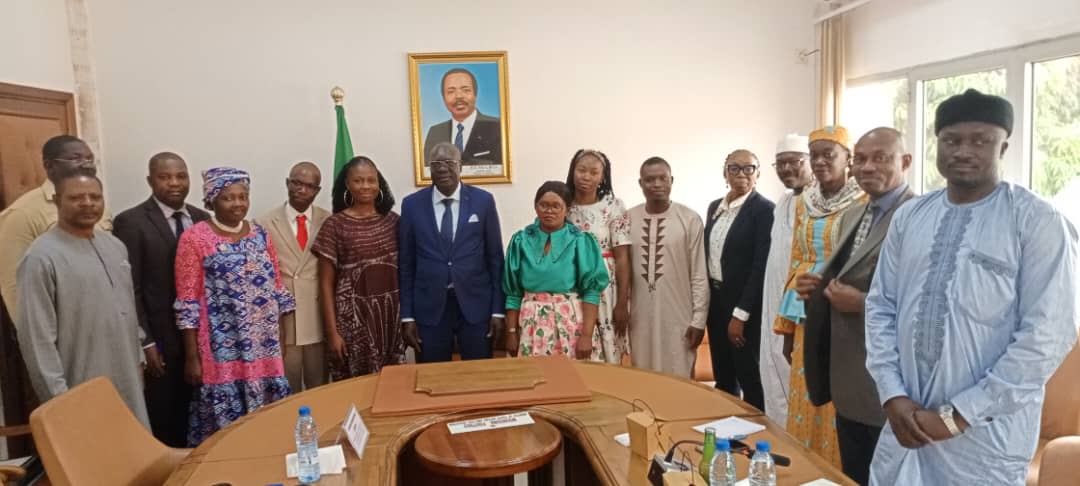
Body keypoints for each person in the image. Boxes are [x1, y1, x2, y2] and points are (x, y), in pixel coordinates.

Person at [866, 90, 1078, 485]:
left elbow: (1047, 335)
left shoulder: (1037, 221)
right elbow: (881, 307)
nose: (963, 151)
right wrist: (892, 394)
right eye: (951, 140)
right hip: (906, 421)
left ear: (1003, 147)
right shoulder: (910, 217)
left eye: (980, 140)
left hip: (986, 436)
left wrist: (959, 414)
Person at [795, 128, 914, 485]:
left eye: (881, 158)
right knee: (854, 474)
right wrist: (818, 286)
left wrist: (861, 303)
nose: (867, 167)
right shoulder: (854, 214)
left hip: (889, 383)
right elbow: (850, 273)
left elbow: (926, 304)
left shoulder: (919, 217)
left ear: (906, 162)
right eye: (860, 159)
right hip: (849, 378)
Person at [15, 170, 149, 428]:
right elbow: (37, 339)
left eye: (95, 197)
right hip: (77, 384)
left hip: (127, 377)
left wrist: (138, 359)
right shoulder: (40, 258)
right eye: (76, 197)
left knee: (132, 443)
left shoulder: (115, 247)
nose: (88, 203)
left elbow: (127, 311)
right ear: (57, 201)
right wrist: (59, 400)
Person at [174, 167, 294, 446]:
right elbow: (187, 302)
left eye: (243, 197)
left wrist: (281, 336)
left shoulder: (261, 235)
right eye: (228, 198)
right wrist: (192, 357)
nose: (237, 204)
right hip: (221, 348)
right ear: (211, 200)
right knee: (227, 434)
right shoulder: (194, 238)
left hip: (264, 346)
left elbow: (277, 289)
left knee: (269, 427)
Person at [773, 126, 864, 467]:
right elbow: (797, 260)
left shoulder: (863, 202)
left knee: (835, 392)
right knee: (804, 391)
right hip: (803, 311)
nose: (821, 161)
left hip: (841, 311)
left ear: (848, 158)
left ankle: (836, 470)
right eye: (815, 155)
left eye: (830, 154)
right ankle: (806, 468)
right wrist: (785, 325)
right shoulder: (805, 202)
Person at [112, 152, 210, 447]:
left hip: (203, 339)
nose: (174, 183)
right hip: (162, 341)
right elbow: (130, 288)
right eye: (165, 177)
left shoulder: (203, 219)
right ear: (150, 180)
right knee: (167, 418)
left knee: (203, 417)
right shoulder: (131, 222)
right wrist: (146, 342)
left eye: (181, 176)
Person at [399, 142, 506, 362]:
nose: (442, 168)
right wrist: (407, 316)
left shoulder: (483, 201)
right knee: (432, 375)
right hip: (430, 308)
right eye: (436, 163)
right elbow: (406, 264)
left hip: (476, 306)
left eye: (449, 162)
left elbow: (495, 259)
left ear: (461, 166)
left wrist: (497, 311)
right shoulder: (411, 205)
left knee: (479, 373)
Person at [0, 135, 113, 319]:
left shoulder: (97, 205)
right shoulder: (21, 213)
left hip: (103, 315)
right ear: (49, 166)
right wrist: (37, 333)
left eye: (89, 159)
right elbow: (14, 287)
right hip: (62, 322)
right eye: (76, 159)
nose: (86, 165)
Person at [312, 157, 404, 379]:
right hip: (352, 326)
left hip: (391, 323)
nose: (365, 186)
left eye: (371, 180)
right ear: (347, 184)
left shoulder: (395, 222)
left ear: (379, 183)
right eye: (358, 180)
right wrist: (332, 333)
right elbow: (325, 284)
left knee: (393, 386)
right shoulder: (334, 226)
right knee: (355, 389)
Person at [503, 181, 610, 358]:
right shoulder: (520, 241)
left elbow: (591, 292)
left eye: (556, 206)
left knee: (572, 374)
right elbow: (513, 293)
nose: (549, 211)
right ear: (535, 207)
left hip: (571, 325)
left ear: (567, 209)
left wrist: (586, 335)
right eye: (543, 205)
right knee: (534, 373)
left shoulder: (581, 241)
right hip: (530, 325)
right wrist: (511, 332)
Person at [703, 150, 774, 410]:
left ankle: (758, 429)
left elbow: (760, 267)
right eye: (734, 168)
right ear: (725, 173)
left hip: (745, 307)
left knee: (749, 376)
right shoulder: (715, 207)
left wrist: (740, 315)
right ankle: (726, 424)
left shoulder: (765, 210)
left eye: (748, 168)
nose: (741, 174)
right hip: (716, 301)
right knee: (723, 375)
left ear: (758, 173)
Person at [628, 157, 709, 377]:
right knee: (642, 377)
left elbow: (699, 274)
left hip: (679, 317)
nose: (656, 184)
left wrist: (699, 320)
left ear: (671, 180)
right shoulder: (627, 219)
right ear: (640, 183)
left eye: (662, 178)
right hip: (639, 318)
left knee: (679, 378)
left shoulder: (689, 219)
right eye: (649, 179)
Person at [255, 162, 330, 391]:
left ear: (317, 190)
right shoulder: (263, 223)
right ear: (287, 183)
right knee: (288, 389)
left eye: (309, 186)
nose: (302, 190)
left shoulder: (329, 220)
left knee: (319, 388)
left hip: (317, 316)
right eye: (297, 183)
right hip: (284, 320)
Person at [760, 134, 814, 428]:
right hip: (772, 300)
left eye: (795, 161)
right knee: (770, 369)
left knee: (793, 372)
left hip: (796, 305)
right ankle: (777, 434)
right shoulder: (781, 202)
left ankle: (795, 438)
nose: (786, 168)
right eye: (780, 163)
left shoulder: (818, 202)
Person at [565, 149, 631, 363]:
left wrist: (622, 302)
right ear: (573, 171)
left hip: (605, 285)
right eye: (581, 170)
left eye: (594, 172)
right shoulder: (564, 205)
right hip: (571, 282)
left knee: (607, 345)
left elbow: (622, 258)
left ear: (603, 177)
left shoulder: (613, 206)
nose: (586, 176)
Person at [422, 68, 503, 166]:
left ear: (475, 95)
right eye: (451, 92)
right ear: (443, 98)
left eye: (466, 90)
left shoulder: (497, 127)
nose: (459, 96)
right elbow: (428, 170)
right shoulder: (435, 132)